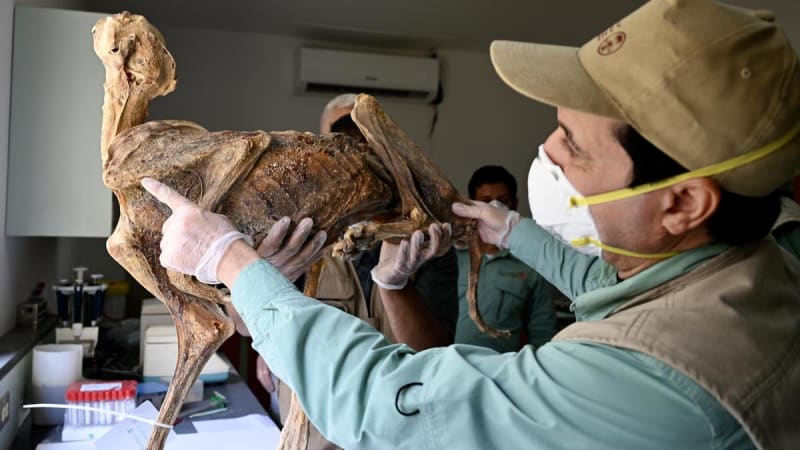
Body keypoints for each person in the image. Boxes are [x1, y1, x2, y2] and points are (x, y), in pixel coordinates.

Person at [143, 1, 800, 447]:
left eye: (575, 144)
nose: (551, 152)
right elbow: (618, 283)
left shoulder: (657, 384)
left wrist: (231, 260)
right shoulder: (757, 264)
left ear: (683, 203)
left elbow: (387, 403)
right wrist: (511, 230)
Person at [253, 93, 459, 450]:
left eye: (367, 143)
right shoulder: (295, 229)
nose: (356, 157)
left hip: (401, 436)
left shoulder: (425, 236)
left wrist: (395, 283)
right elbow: (242, 316)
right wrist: (264, 288)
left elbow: (434, 358)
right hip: (315, 437)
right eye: (341, 144)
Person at [455, 165, 557, 351]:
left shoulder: (530, 263)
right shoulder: (449, 258)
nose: (494, 208)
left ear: (514, 205)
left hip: (502, 371)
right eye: (485, 201)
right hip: (447, 367)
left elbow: (543, 333)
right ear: (471, 206)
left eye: (502, 200)